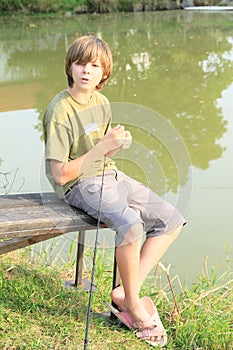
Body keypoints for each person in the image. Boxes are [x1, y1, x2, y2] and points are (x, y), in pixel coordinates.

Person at [43, 34, 186, 347]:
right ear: (70, 66)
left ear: (103, 73)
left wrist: (115, 145)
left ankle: (124, 292)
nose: (86, 70)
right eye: (80, 62)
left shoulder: (101, 102)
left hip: (109, 175)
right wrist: (102, 149)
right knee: (131, 225)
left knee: (171, 219)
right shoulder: (60, 111)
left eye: (95, 65)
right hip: (78, 186)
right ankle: (133, 306)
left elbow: (101, 155)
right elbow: (61, 173)